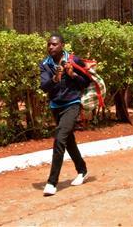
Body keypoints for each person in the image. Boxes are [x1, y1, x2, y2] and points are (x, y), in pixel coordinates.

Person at [39, 33, 90, 195]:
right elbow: (44, 87)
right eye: (49, 44)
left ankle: (52, 183)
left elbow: (85, 83)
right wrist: (56, 77)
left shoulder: (74, 61)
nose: (51, 47)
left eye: (54, 44)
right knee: (68, 141)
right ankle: (82, 170)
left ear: (62, 45)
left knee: (60, 139)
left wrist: (72, 74)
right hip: (56, 106)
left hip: (72, 104)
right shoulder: (45, 64)